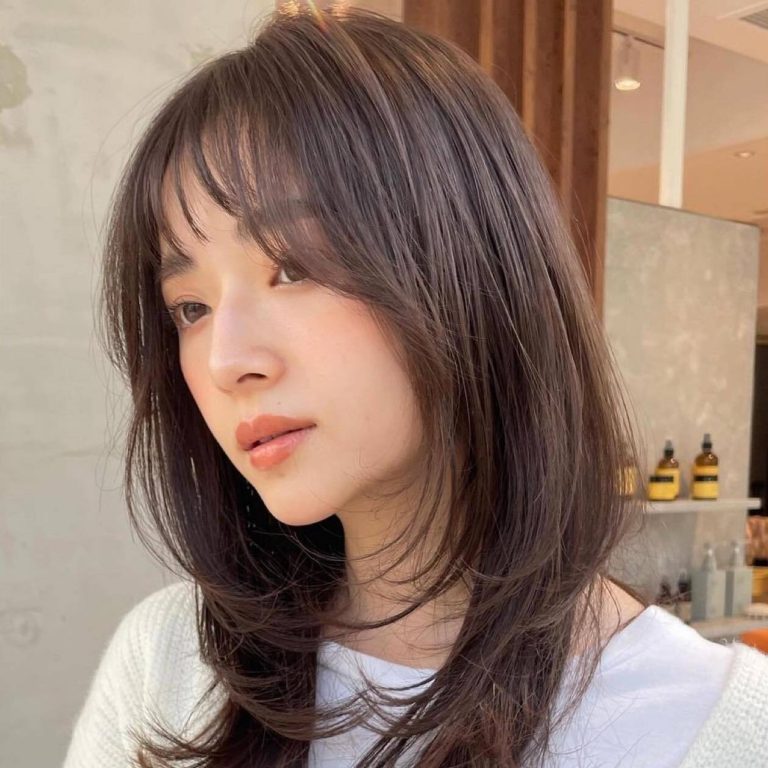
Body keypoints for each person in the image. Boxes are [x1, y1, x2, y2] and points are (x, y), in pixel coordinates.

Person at [63, 5, 768, 768]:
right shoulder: (169, 663)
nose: (225, 361)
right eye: (190, 309)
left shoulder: (724, 727)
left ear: (470, 263)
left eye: (292, 267)